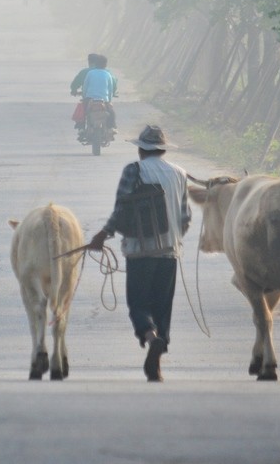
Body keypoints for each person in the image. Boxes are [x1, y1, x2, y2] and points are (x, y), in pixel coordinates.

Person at [89, 125, 191, 382]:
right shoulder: (180, 174)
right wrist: (172, 240)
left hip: (139, 253)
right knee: (162, 306)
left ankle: (150, 337)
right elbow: (185, 218)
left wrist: (102, 235)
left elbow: (120, 210)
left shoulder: (133, 170)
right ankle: (158, 349)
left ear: (141, 150)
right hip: (169, 253)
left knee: (138, 304)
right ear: (163, 148)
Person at [81, 54, 118, 131]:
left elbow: (85, 87)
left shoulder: (90, 73)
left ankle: (81, 128)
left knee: (82, 112)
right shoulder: (108, 74)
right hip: (104, 100)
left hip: (89, 98)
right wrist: (109, 101)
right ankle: (111, 127)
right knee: (111, 113)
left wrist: (84, 97)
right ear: (105, 64)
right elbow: (110, 89)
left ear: (95, 63)